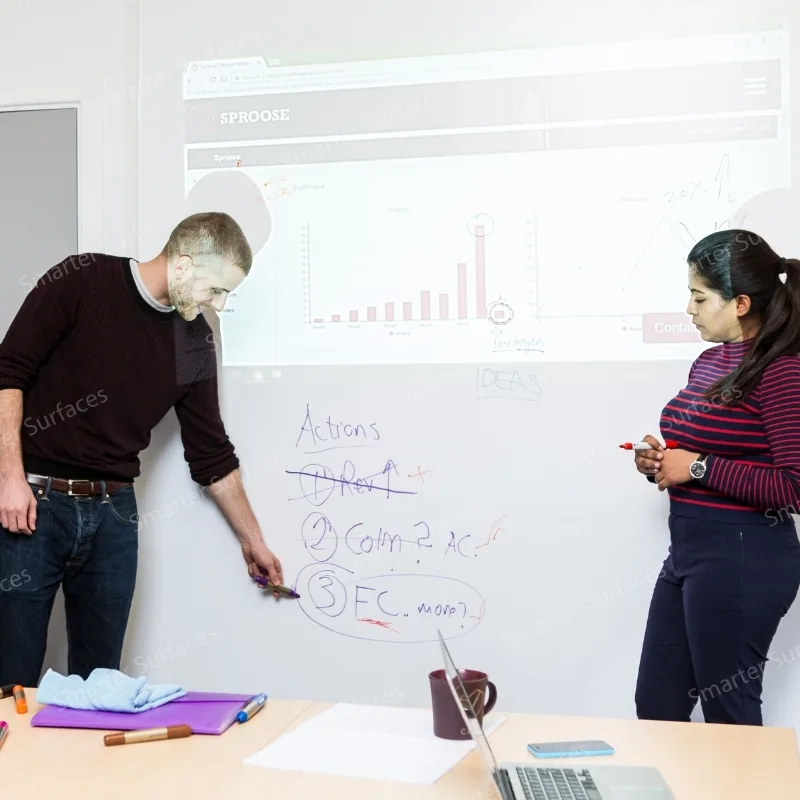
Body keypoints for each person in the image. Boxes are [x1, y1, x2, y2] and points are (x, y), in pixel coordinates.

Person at [0, 211, 283, 688]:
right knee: (11, 682)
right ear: (186, 264)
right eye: (216, 289)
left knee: (101, 687)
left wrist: (252, 539)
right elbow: (9, 372)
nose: (218, 302)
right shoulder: (84, 277)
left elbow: (211, 452)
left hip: (114, 517)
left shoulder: (194, 339)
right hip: (32, 504)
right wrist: (9, 477)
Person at [632, 228, 800, 726]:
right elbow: (700, 450)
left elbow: (794, 486)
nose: (689, 308)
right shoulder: (709, 361)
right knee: (657, 705)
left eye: (699, 296)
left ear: (741, 302)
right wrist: (662, 463)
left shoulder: (783, 372)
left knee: (729, 716)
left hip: (745, 557)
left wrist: (699, 466)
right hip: (688, 552)